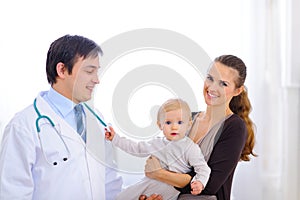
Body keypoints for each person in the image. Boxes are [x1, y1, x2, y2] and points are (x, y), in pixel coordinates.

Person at [0, 34, 123, 200]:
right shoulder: (23, 126)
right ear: (62, 70)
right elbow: (13, 193)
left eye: (96, 71)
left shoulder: (97, 120)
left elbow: (110, 183)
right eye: (89, 71)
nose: (96, 80)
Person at [144, 55, 257, 200]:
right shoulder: (187, 119)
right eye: (210, 78)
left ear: (237, 91)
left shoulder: (234, 127)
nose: (212, 87)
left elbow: (209, 185)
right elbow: (162, 161)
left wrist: (160, 174)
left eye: (223, 84)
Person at [105, 98, 211, 200]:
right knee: (122, 197)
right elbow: (136, 148)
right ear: (160, 125)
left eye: (180, 122)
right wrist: (115, 139)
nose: (174, 127)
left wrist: (200, 182)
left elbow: (203, 169)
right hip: (151, 183)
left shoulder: (190, 148)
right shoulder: (156, 143)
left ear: (189, 124)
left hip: (172, 189)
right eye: (168, 123)